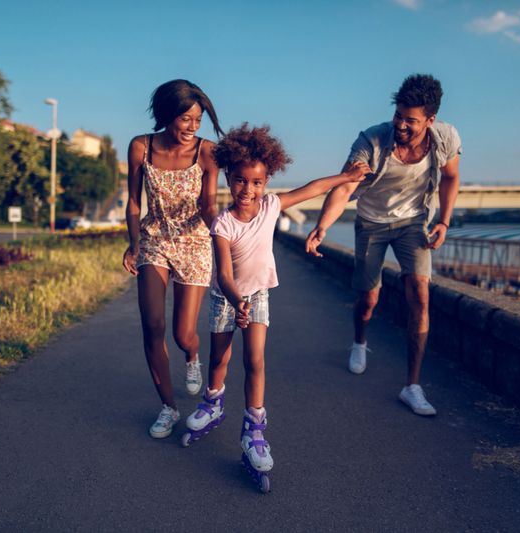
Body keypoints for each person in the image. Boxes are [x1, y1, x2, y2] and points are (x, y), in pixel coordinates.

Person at [181, 124, 371, 478]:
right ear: (228, 178)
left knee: (255, 360)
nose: (247, 189)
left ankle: (254, 428)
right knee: (219, 358)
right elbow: (224, 275)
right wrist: (236, 302)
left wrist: (345, 177)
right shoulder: (222, 224)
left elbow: (313, 188)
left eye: (256, 182)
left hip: (258, 296)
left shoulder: (271, 206)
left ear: (266, 181)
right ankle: (213, 402)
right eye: (240, 180)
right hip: (226, 298)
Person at [305, 74, 461, 416]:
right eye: (398, 116)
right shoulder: (371, 141)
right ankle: (359, 341)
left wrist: (444, 221)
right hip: (372, 221)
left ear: (430, 120)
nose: (401, 125)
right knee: (369, 298)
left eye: (411, 120)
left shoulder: (446, 137)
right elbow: (345, 187)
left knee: (420, 294)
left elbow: (450, 177)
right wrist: (322, 226)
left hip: (414, 222)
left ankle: (412, 386)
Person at [122, 79, 223, 438]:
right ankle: (168, 407)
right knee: (152, 324)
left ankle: (192, 357)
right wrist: (134, 244)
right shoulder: (141, 147)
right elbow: (134, 202)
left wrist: (225, 240)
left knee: (183, 335)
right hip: (155, 239)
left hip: (194, 242)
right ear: (167, 114)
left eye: (198, 120)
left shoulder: (207, 152)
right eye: (185, 119)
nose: (192, 127)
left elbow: (209, 206)